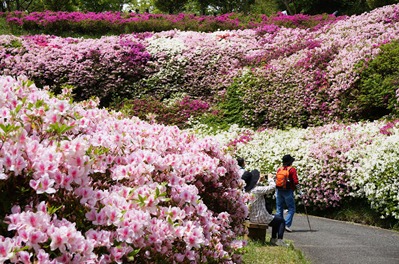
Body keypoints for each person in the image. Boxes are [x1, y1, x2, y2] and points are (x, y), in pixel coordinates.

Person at [242, 169, 288, 247]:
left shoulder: (247, 190)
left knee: (276, 218)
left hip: (252, 216)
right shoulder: (256, 190)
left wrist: (259, 180)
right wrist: (270, 178)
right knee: (281, 221)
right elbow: (272, 187)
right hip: (260, 217)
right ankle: (279, 240)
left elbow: (255, 186)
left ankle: (273, 239)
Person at [275, 154, 299, 232]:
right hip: (288, 191)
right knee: (291, 208)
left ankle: (279, 224)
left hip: (279, 190)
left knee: (279, 208)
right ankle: (286, 224)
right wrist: (299, 189)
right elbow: (295, 181)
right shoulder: (292, 170)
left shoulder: (280, 169)